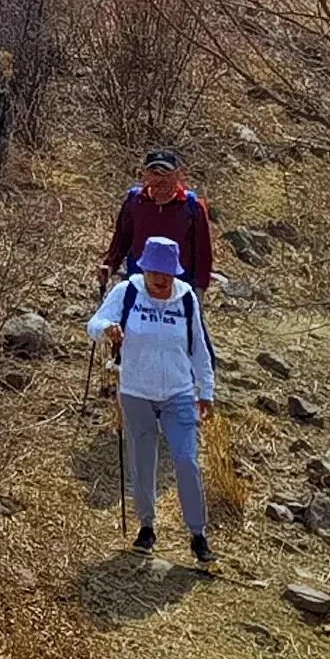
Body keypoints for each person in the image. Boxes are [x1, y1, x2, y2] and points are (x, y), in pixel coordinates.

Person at [90, 237, 219, 568]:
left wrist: (206, 390)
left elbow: (199, 348)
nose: (162, 280)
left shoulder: (186, 298)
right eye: (155, 273)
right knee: (142, 461)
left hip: (179, 391)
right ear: (144, 269)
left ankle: (198, 535)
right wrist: (108, 329)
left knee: (186, 460)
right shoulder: (127, 293)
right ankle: (146, 527)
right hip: (136, 391)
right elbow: (93, 324)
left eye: (168, 274)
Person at [98, 147, 217, 295]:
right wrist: (110, 266)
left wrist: (199, 289)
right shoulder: (135, 200)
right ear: (146, 175)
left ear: (177, 176)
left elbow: (203, 253)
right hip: (139, 282)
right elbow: (122, 239)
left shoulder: (192, 206)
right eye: (154, 173)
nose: (159, 180)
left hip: (178, 287)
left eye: (165, 174)